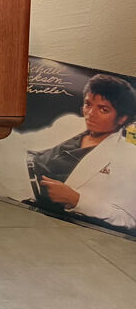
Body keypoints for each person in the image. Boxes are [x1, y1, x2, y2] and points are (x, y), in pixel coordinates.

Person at [29, 74, 136, 230]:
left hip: (59, 224)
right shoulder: (69, 122)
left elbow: (129, 220)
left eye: (103, 109)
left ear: (122, 118)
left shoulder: (130, 157)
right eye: (88, 104)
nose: (91, 113)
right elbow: (23, 146)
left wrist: (77, 200)